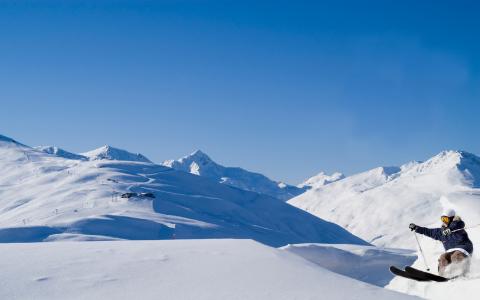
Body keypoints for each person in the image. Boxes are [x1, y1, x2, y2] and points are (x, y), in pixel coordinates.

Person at [409, 208, 473, 276]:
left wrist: (450, 229)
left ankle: (462, 272)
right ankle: (442, 275)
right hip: (450, 250)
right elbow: (428, 231)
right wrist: (416, 228)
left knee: (455, 256)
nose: (444, 221)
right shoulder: (441, 232)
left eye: (446, 219)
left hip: (463, 247)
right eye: (443, 219)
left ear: (452, 219)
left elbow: (459, 224)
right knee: (443, 257)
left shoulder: (458, 225)